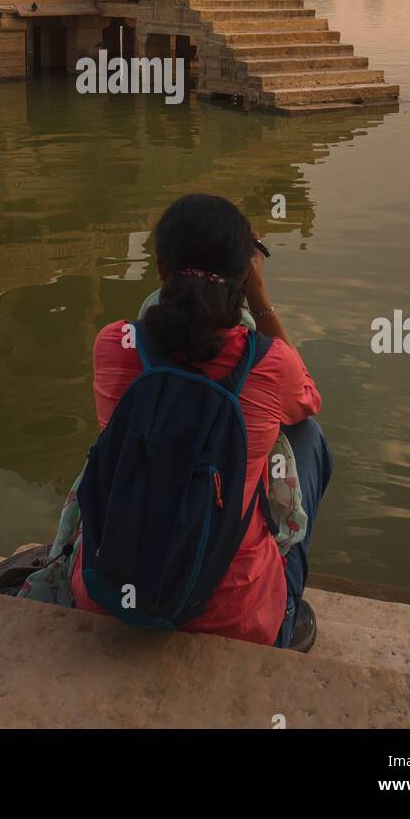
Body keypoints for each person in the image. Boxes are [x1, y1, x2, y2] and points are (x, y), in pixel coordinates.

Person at [71, 193, 332, 650]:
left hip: (105, 593)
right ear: (245, 273)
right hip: (236, 618)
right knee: (305, 435)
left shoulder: (114, 343)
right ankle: (287, 612)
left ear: (160, 268)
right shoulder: (271, 364)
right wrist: (261, 297)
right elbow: (308, 399)